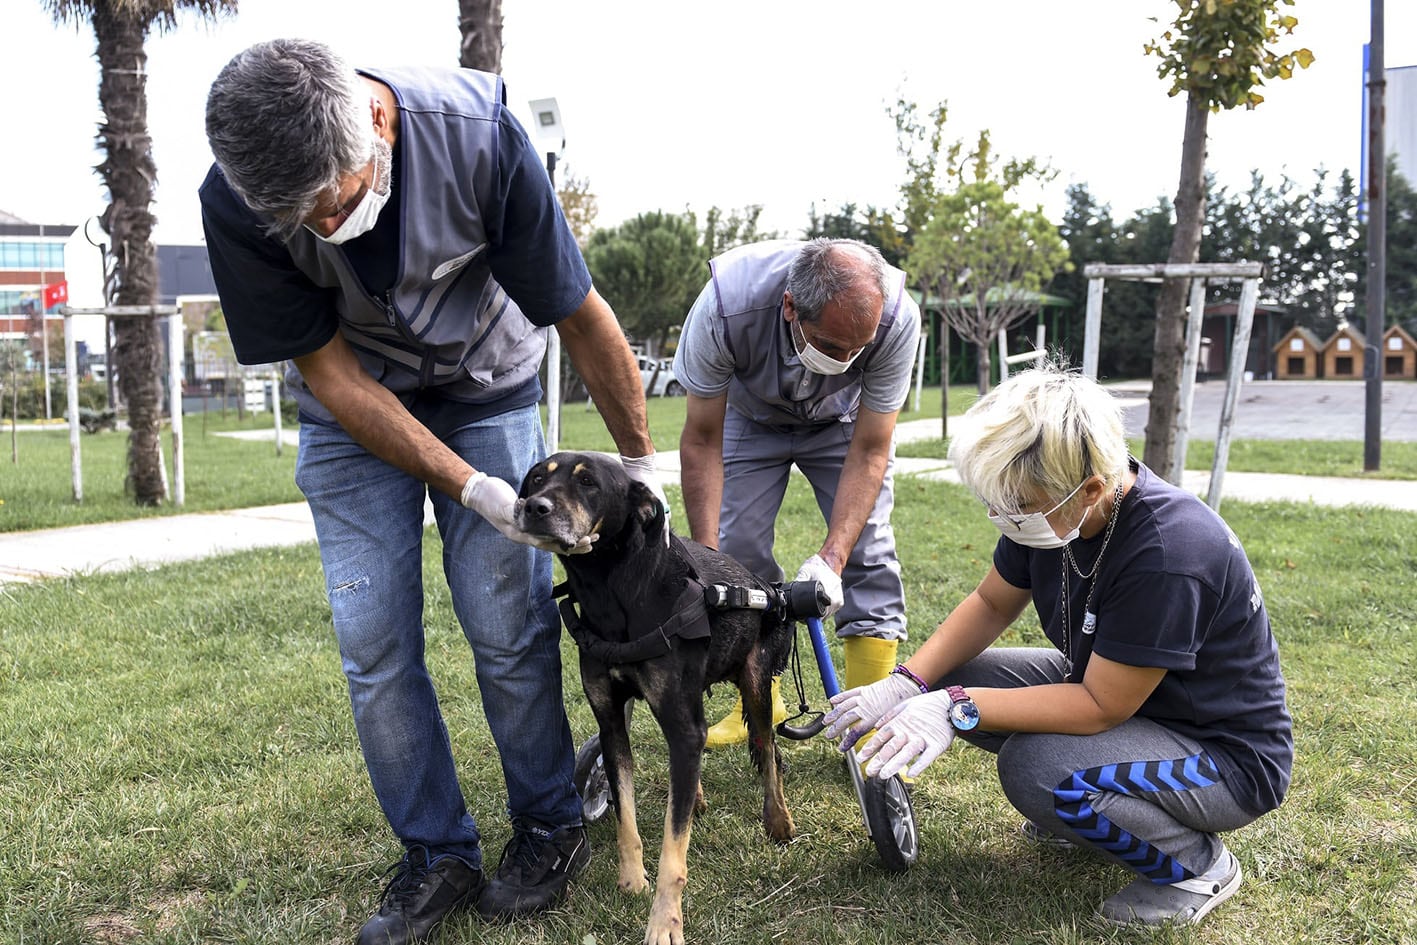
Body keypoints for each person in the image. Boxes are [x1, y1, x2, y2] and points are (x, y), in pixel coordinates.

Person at [201, 39, 665, 945]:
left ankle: (548, 825)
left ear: (374, 123)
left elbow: (579, 313)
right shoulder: (238, 199)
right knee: (371, 641)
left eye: (331, 202)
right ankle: (436, 852)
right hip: (353, 409)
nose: (322, 225)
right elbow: (333, 380)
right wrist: (468, 488)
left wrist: (640, 467)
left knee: (507, 619)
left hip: (486, 381)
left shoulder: (482, 137)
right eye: (299, 218)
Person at [823, 361, 1293, 927]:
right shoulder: (1058, 509)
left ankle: (1196, 866)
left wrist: (954, 709)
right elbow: (993, 603)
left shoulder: (1169, 554)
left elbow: (1101, 706)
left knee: (1036, 766)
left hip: (1223, 758)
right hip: (1128, 702)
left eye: (1016, 505)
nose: (1002, 517)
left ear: (1091, 487)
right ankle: (1090, 810)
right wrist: (912, 682)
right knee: (949, 679)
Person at [673, 238, 921, 746]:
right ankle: (761, 694)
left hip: (845, 422)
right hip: (751, 415)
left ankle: (868, 718)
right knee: (737, 548)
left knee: (868, 550)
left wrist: (832, 558)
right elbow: (701, 438)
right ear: (790, 307)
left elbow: (873, 447)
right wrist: (708, 562)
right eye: (833, 346)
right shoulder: (726, 305)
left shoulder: (898, 319)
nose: (849, 358)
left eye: (859, 348)